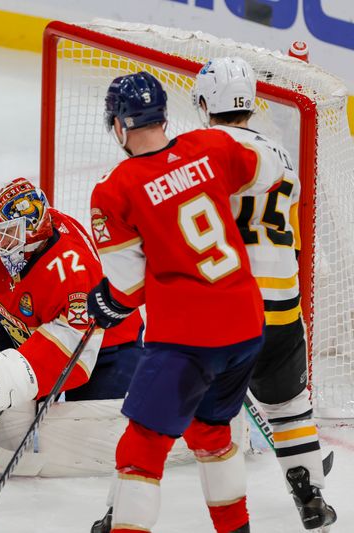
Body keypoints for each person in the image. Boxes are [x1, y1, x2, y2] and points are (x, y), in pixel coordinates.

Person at [86, 71, 282, 533]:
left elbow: (128, 290)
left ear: (119, 125)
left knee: (140, 450)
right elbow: (270, 170)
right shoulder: (210, 146)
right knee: (210, 431)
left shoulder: (115, 189)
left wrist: (104, 303)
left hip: (187, 340)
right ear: (163, 115)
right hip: (246, 326)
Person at [193, 56, 336, 530]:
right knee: (289, 406)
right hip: (283, 306)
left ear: (205, 102)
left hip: (228, 307)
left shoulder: (201, 150)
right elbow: (291, 238)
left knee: (168, 411)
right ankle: (311, 495)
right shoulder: (281, 156)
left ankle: (120, 509)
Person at [0, 177, 144, 416]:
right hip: (27, 326)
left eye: (7, 233)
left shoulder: (72, 272)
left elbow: (70, 345)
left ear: (31, 234)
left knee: (85, 428)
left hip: (104, 345)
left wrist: (14, 379)